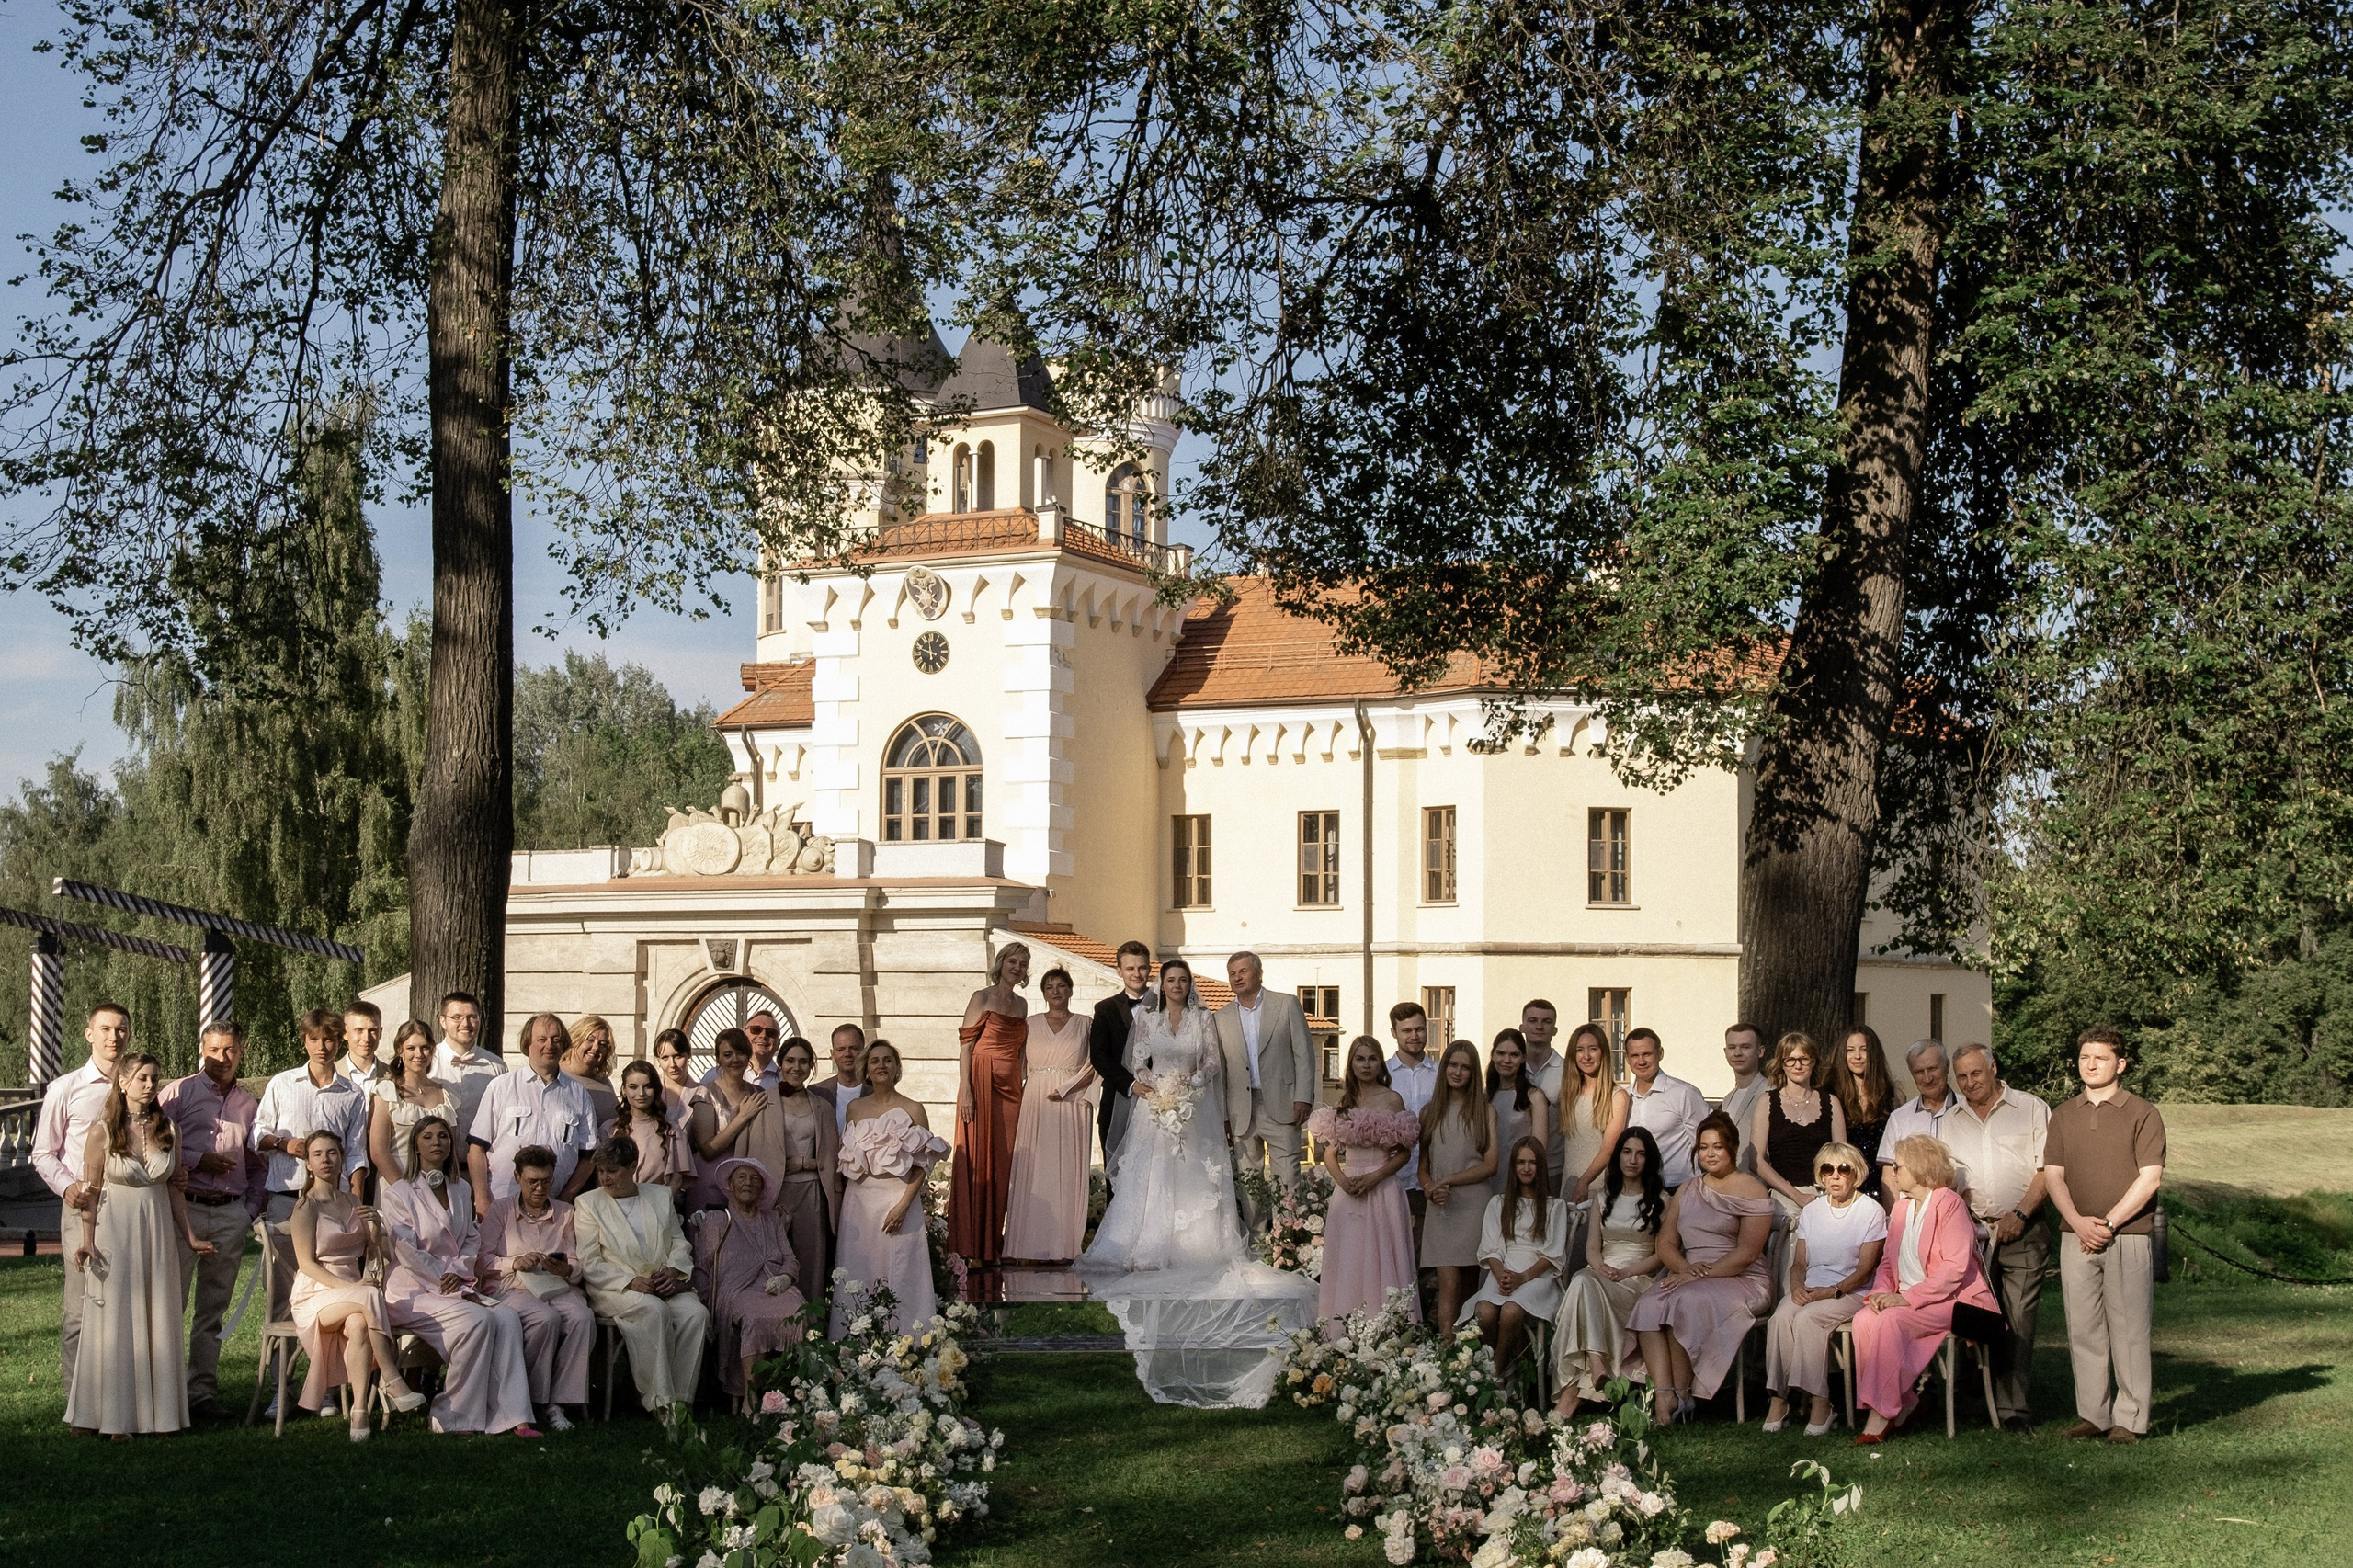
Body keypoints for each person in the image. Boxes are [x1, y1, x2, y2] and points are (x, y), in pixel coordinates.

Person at [1080, 960, 1321, 1405]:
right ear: (1162, 985)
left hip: (1195, 1108)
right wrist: (1157, 1086)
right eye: (1169, 980)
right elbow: (1137, 1061)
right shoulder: (1148, 1019)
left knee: (1205, 1175)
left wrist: (1188, 1083)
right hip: (1158, 1107)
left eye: (1182, 980)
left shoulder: (1204, 1018)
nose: (1176, 985)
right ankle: (1150, 1243)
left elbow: (1213, 1061)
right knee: (1155, 1178)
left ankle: (1264, 1241)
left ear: (1189, 985)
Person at [64, 1051, 210, 1437]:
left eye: (155, 1079)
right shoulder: (102, 1131)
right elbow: (91, 1192)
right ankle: (112, 1418)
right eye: (143, 1078)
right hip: (116, 1231)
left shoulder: (170, 1129)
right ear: (123, 1082)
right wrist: (86, 1240)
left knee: (158, 1317)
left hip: (157, 1232)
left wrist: (190, 1236)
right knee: (116, 1321)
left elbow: (176, 1190)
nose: (150, 1085)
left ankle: (160, 1416)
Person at [2042, 1026, 2165, 1445]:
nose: (2090, 1065)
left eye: (2101, 1058)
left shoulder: (2143, 1112)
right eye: (2084, 1058)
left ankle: (2129, 1420)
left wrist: (2109, 1223)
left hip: (2127, 1235)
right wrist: (2078, 1222)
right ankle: (2093, 1414)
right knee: (2083, 1328)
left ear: (2121, 1064)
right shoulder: (2063, 1114)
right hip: (2075, 1235)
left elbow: (2149, 1179)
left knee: (2129, 1329)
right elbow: (2054, 1177)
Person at [379, 1116, 538, 1436]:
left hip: (455, 1281)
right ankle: (452, 1417)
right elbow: (406, 1249)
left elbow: (470, 1239)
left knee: (506, 1318)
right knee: (476, 1322)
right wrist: (441, 1277)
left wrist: (455, 1272)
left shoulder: (460, 1187)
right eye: (427, 1137)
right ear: (415, 1146)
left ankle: (514, 1415)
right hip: (413, 1288)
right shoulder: (398, 1192)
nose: (436, 1142)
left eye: (443, 1136)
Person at [1851, 1133, 2001, 1442]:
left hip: (1952, 1300)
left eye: (1899, 1166)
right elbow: (1888, 1264)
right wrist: (1881, 1293)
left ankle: (1880, 1416)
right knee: (1864, 1319)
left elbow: (1954, 1270)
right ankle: (1905, 1403)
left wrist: (1904, 1299)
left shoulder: (1949, 1203)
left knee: (1892, 1320)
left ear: (1920, 1168)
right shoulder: (1902, 1209)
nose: (1893, 1172)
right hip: (1906, 1297)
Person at [1629, 1111, 1774, 1424]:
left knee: (1684, 1300)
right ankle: (1665, 1395)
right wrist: (1684, 1269)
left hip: (1741, 1276)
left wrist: (1699, 1275)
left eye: (1718, 1147)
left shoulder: (1752, 1189)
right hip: (1689, 1274)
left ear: (1733, 1148)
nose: (1709, 1153)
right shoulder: (1687, 1189)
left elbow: (1747, 1253)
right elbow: (1665, 1243)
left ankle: (1684, 1395)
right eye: (1704, 1147)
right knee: (1649, 1304)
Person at [283, 1130, 426, 1440]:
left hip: (355, 1292)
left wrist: (374, 1225)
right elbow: (306, 1264)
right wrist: (352, 1289)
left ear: (342, 1158)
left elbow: (372, 1251)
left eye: (332, 1153)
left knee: (360, 1323)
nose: (325, 1160)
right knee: (369, 1295)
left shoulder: (351, 1200)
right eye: (318, 1154)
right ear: (308, 1164)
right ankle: (390, 1376)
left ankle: (359, 1412)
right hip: (316, 1294)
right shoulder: (305, 1207)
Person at [158, 1020, 268, 1421]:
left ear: (242, 1051)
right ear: (202, 1050)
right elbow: (152, 1146)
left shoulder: (248, 1104)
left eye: (231, 1050)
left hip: (229, 1213)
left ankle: (201, 1393)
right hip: (183, 1209)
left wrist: (249, 1209)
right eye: (215, 1050)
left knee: (212, 1310)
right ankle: (163, 1393)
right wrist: (197, 1160)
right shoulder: (177, 1093)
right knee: (171, 1303)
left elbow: (258, 1163)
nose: (222, 1058)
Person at [1947, 1042, 2050, 1431]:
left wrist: (2020, 1214)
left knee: (2019, 1316)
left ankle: (2013, 1410)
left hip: (2024, 1225)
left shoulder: (2030, 1108)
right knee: (1976, 1314)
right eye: (1962, 1076)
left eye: (1976, 1073)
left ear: (1993, 1069)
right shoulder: (1951, 1119)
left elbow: (2047, 1169)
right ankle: (1976, 1397)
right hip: (1974, 1230)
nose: (1970, 1082)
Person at [252, 1007, 374, 1325]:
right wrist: (283, 1144)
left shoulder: (352, 1093)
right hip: (288, 1196)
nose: (322, 1047)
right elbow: (256, 1134)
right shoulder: (283, 1083)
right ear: (304, 1041)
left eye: (329, 1039)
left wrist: (356, 1196)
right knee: (282, 1286)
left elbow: (357, 1150)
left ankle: (331, 1366)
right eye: (314, 1039)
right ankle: (284, 1371)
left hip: (335, 1202)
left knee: (335, 1281)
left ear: (340, 1041)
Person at [35, 1001, 128, 1411]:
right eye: (105, 1029)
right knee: (80, 1306)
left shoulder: (139, 1085)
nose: (114, 1037)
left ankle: (120, 1388)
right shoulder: (66, 1088)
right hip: (83, 1203)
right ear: (89, 1034)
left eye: (121, 1030)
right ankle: (76, 1396)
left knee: (124, 1300)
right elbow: (42, 1152)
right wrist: (67, 1186)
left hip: (130, 1208)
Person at [576, 1134, 709, 1419]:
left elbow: (679, 1241)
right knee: (654, 1310)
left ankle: (681, 1401)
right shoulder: (588, 1204)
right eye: (601, 1171)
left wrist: (673, 1272)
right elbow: (590, 1261)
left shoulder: (659, 1196)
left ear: (632, 1166)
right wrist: (631, 1281)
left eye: (612, 1171)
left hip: (662, 1284)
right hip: (616, 1288)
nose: (605, 1178)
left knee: (695, 1313)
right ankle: (660, 1402)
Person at [1761, 1142, 1887, 1435]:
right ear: (1820, 1174)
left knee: (1808, 1318)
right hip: (1812, 1288)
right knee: (1781, 1317)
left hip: (1851, 1292)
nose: (1835, 1176)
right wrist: (1795, 1286)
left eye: (1843, 1169)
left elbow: (1865, 1269)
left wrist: (1831, 1291)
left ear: (1856, 1174)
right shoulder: (1812, 1210)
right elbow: (1800, 1262)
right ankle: (1779, 1400)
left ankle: (1821, 1403)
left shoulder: (1871, 1211)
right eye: (1827, 1169)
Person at [833, 1040, 951, 1336]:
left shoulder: (914, 1108)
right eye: (875, 1061)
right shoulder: (854, 1109)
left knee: (903, 1272)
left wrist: (903, 1205)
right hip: (858, 1202)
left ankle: (910, 1345)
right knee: (859, 1271)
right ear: (866, 1070)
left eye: (888, 1060)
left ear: (897, 1068)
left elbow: (923, 1165)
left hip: (899, 1199)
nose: (881, 1065)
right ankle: (856, 1344)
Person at [1551, 1128, 1668, 1419]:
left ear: (1649, 1160)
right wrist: (1600, 1266)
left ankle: (1572, 1394)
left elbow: (1661, 1255)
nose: (1633, 1160)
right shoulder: (1603, 1199)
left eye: (1640, 1154)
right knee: (1583, 1280)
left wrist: (1627, 1270)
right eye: (1627, 1152)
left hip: (1637, 1281)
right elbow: (1593, 1248)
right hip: (1602, 1274)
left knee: (1582, 1285)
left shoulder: (1662, 1201)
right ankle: (1596, 1363)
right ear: (1618, 1157)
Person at [477, 1144, 594, 1433]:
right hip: (513, 1287)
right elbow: (480, 1259)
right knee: (545, 1319)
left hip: (556, 1286)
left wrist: (566, 1269)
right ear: (518, 1177)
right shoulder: (502, 1209)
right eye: (532, 1182)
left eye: (546, 1181)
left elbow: (577, 1263)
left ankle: (560, 1401)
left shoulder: (565, 1213)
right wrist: (514, 1262)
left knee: (581, 1317)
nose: (540, 1189)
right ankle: (534, 1399)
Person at [1311, 1036, 1423, 1325]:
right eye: (1360, 1059)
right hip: (1349, 1192)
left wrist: (1375, 1177)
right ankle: (1345, 1327)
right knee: (1350, 1259)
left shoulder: (1392, 1098)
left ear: (1380, 1062)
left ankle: (1387, 1326)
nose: (1366, 1065)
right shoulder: (1343, 1102)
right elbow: (1330, 1154)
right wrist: (1343, 1181)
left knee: (1383, 1256)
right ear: (1351, 1063)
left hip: (1383, 1187)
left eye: (1372, 1058)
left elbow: (1404, 1154)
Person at [692, 1157, 808, 1414]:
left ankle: (791, 1389)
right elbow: (701, 1267)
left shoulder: (772, 1220)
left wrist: (786, 1278)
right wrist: (703, 1303)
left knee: (800, 1314)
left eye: (755, 1179)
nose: (748, 1183)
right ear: (730, 1185)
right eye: (742, 1177)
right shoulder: (716, 1219)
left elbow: (790, 1258)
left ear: (762, 1189)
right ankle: (751, 1395)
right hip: (735, 1289)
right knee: (754, 1317)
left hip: (775, 1286)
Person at [1215, 951, 1318, 1226]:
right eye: (1232, 974)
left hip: (1283, 1104)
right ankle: (1258, 1242)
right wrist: (1224, 1114)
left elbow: (1304, 1055)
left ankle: (1288, 1241)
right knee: (1249, 1182)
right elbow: (1222, 1070)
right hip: (1241, 1111)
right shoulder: (1221, 1017)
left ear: (1258, 973)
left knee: (1287, 1179)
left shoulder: (1286, 1005)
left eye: (1243, 971)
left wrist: (1303, 1097)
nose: (1237, 978)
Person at [1005, 966, 1099, 1262]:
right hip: (1036, 1098)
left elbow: (1096, 1063)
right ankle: (1025, 1246)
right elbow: (1017, 1064)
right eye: (1049, 987)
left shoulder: (1086, 1023)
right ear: (1043, 993)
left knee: (1066, 1168)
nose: (1056, 991)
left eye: (1061, 986)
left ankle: (1066, 1246)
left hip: (1071, 1099)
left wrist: (1069, 1088)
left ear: (1070, 990)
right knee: (1034, 1167)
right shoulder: (1029, 1023)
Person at [466, 1013, 598, 1221]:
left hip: (554, 1209)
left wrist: (565, 1198)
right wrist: (481, 1200)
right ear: (528, 1043)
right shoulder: (501, 1087)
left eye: (556, 1039)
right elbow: (476, 1149)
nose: (550, 1045)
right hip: (501, 1206)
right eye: (542, 1039)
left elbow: (589, 1157)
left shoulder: (579, 1095)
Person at [951, 941, 1030, 1268]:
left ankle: (993, 1244)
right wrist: (966, 1090)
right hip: (980, 1082)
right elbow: (967, 1047)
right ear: (1001, 963)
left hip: (1011, 1086)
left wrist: (1026, 1084)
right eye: (1013, 961)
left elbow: (1023, 1052)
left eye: (1023, 964)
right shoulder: (981, 997)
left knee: (1003, 1163)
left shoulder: (1023, 1004)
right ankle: (969, 1246)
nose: (1017, 967)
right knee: (977, 1160)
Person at [1460, 1136, 1568, 1372]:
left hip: (1537, 1276)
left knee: (1510, 1312)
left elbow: (1552, 1254)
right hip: (1504, 1271)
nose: (1526, 1168)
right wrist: (1503, 1277)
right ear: (1513, 1166)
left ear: (1541, 1166)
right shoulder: (1498, 1203)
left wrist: (1522, 1277)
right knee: (1485, 1313)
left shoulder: (1554, 1206)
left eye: (1532, 1162)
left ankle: (1495, 1371)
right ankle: (1512, 1366)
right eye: (1521, 1162)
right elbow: (1491, 1248)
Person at [1417, 1040, 1498, 1333]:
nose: (1458, 1072)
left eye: (1465, 1067)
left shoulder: (1484, 1112)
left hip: (1474, 1206)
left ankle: (1467, 1360)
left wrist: (1449, 1179)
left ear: (1473, 1073)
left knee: (1468, 1287)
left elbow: (1491, 1164)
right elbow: (1423, 1168)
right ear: (1444, 1067)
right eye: (1453, 1064)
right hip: (1441, 1207)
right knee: (1448, 1286)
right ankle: (1446, 1359)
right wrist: (1429, 1188)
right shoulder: (1429, 1113)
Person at [767, 1036, 840, 1304]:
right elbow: (758, 1154)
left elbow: (831, 1158)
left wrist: (804, 1164)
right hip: (776, 1192)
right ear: (780, 1063)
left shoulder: (822, 1107)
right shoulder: (764, 1103)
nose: (796, 1067)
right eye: (790, 1061)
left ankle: (810, 1336)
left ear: (811, 1066)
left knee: (811, 1265)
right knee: (774, 1265)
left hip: (811, 1193)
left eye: (803, 1062)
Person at [690, 1028, 791, 1212]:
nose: (735, 1060)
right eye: (728, 1054)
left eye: (741, 1053)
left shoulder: (758, 1093)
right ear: (718, 1059)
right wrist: (743, 1116)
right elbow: (707, 1150)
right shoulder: (705, 1093)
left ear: (748, 1057)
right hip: (711, 1180)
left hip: (748, 1183)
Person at [1751, 1032, 1847, 1215]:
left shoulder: (1831, 1102)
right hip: (1783, 1198)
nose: (1798, 1065)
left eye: (1804, 1059)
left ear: (1813, 1062)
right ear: (1781, 1064)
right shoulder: (1767, 1102)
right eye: (1790, 1059)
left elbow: (1842, 1156)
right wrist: (1796, 1195)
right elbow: (1756, 1161)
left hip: (1824, 1196)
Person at [369, 1019, 462, 1190]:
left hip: (439, 1187)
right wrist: (407, 1191)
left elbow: (451, 1151)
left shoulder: (447, 1094)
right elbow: (378, 1152)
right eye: (411, 1048)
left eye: (424, 1047)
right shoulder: (386, 1092)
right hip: (397, 1185)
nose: (418, 1054)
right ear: (400, 1051)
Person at [1089, 939, 1154, 1176]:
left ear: (1149, 968)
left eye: (1142, 968)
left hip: (1159, 1105)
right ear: (1119, 971)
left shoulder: (1167, 1007)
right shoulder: (1105, 1009)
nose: (1137, 974)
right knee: (1117, 1180)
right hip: (1117, 1101)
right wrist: (1132, 1085)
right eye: (1130, 968)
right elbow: (1099, 1055)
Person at [1384, 1002, 1440, 1263]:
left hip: (1431, 1177)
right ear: (1394, 1032)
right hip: (1393, 1177)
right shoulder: (1382, 1075)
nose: (1414, 1036)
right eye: (1406, 1030)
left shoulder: (1441, 1074)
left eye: (1419, 1029)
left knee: (1427, 1254)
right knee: (1393, 1253)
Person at [1622, 1029, 1710, 1189]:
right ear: (1627, 1058)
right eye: (1635, 1055)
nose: (1641, 1061)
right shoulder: (1623, 1098)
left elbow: (1707, 1143)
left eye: (1647, 1054)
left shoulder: (1684, 1093)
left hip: (1677, 1190)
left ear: (1660, 1053)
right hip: (1635, 1192)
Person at [1877, 1040, 1962, 1202]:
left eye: (1932, 1069)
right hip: (1912, 1216)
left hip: (1958, 1211)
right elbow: (1889, 1178)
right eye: (1919, 1072)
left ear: (1947, 1066)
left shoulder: (1966, 1112)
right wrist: (1895, 1220)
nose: (1927, 1078)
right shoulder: (1899, 1118)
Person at [1559, 1023, 1630, 1207]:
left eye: (1593, 1049)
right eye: (1580, 1050)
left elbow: (1609, 1148)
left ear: (1603, 1053)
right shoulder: (1569, 1095)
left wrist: (1585, 1181)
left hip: (1597, 1187)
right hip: (1569, 1185)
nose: (1586, 1056)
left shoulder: (1617, 1096)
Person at [1826, 1026, 1897, 1199]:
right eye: (1850, 1050)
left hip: (1884, 1186)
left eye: (1863, 1050)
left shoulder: (1892, 1096)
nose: (1857, 1056)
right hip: (1844, 1187)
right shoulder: (1829, 1095)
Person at [431, 990, 506, 1142]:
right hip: (435, 1162)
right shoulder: (428, 1063)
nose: (465, 1024)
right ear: (443, 1021)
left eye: (472, 1017)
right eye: (457, 1017)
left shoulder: (497, 1067)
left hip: (481, 1161)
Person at [615, 1061, 694, 1206]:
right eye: (633, 1087)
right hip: (617, 1208)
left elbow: (676, 1181)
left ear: (656, 1090)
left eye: (648, 1087)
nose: (641, 1093)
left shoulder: (673, 1132)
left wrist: (656, 1205)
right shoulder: (609, 1130)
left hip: (658, 1207)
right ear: (624, 1090)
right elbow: (600, 1179)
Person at [1485, 1030, 1553, 1185]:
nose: (1506, 1060)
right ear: (1493, 1055)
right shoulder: (1486, 1097)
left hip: (1521, 1181)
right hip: (1487, 1183)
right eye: (1501, 1053)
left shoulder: (1534, 1097)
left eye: (1514, 1055)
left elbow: (1539, 1151)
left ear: (1523, 1058)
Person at [1518, 999, 1569, 1194]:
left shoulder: (1568, 1071)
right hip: (1514, 1169)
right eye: (1532, 1020)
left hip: (1553, 1169)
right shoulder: (1511, 1068)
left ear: (1555, 1029)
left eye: (1546, 1022)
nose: (1539, 1026)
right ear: (1522, 1026)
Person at [1719, 1022, 1770, 1174]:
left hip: (1758, 1185)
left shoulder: (1770, 1093)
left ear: (1760, 1052)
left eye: (1745, 1047)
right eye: (1732, 1047)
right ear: (1725, 1051)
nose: (1738, 1053)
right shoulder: (1728, 1098)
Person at [563, 1013, 620, 1133]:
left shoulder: (604, 1082)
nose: (596, 1047)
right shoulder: (557, 1075)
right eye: (590, 1040)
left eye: (603, 1044)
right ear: (574, 1040)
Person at [811, 1022, 867, 1138]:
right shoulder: (816, 1093)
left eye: (853, 1048)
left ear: (864, 1051)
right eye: (841, 1049)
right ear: (832, 1054)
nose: (847, 1054)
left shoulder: (876, 1091)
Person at [338, 999, 390, 1089]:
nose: (366, 1038)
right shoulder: (330, 1074)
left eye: (372, 1031)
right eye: (359, 1030)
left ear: (380, 1033)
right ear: (345, 1033)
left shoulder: (394, 1077)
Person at [652, 1028, 699, 1126]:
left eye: (678, 1056)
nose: (672, 1064)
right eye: (665, 1058)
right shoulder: (649, 1090)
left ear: (688, 1055)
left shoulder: (702, 1093)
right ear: (658, 1060)